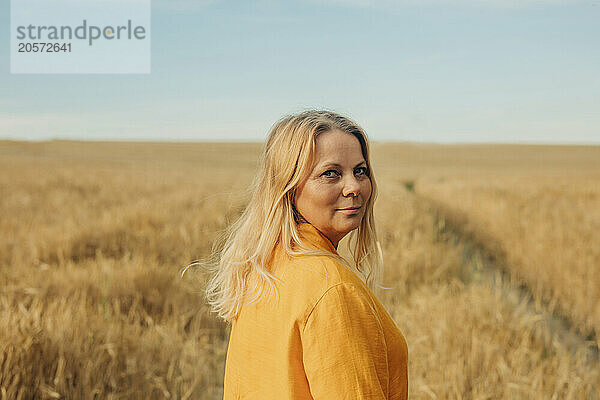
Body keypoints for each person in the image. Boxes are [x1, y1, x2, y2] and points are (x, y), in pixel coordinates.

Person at [204, 110, 408, 399]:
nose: (354, 187)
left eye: (360, 170)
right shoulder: (333, 289)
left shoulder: (264, 266)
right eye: (331, 173)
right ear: (287, 187)